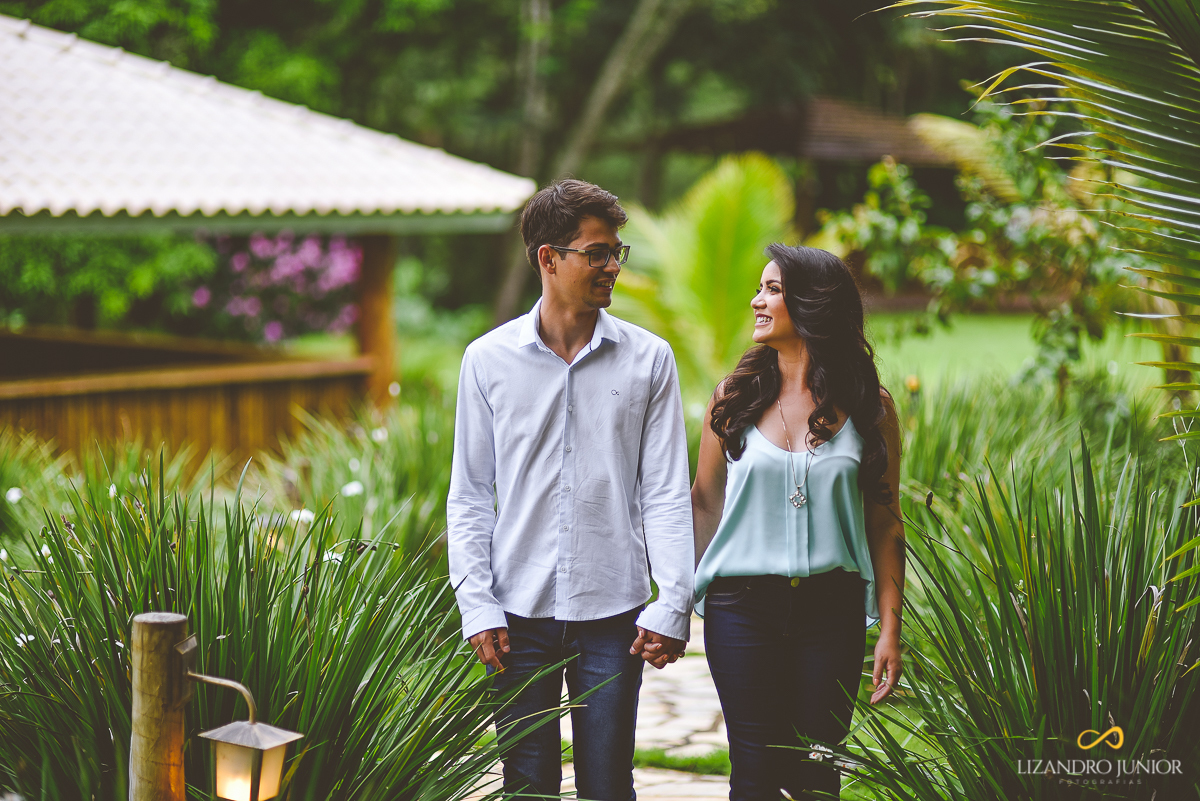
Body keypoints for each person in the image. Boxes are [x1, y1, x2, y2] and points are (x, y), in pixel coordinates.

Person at [447, 179, 695, 800]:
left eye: (617, 252)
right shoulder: (486, 360)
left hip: (615, 614)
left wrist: (674, 600)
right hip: (515, 615)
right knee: (527, 786)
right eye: (596, 253)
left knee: (608, 786)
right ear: (548, 258)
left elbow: (664, 492)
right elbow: (471, 494)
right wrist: (475, 603)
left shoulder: (650, 359)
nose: (612, 265)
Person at [690, 244, 905, 799]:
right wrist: (676, 601)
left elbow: (886, 523)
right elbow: (703, 503)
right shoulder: (733, 400)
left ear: (813, 304)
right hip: (741, 610)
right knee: (756, 778)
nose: (758, 301)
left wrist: (889, 628)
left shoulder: (870, 408)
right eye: (761, 288)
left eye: (774, 290)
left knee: (816, 776)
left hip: (830, 613)